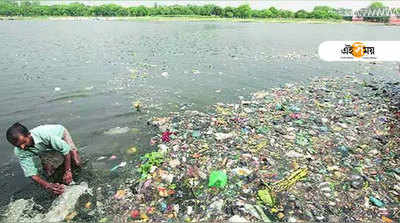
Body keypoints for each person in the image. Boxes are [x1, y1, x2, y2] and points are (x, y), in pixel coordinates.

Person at [6, 123, 81, 195]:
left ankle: (74, 152)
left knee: (75, 161)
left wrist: (68, 171)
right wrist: (48, 185)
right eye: (18, 146)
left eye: (24, 142)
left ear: (29, 135)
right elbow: (31, 173)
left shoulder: (45, 135)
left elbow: (65, 151)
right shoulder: (20, 151)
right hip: (42, 148)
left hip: (59, 134)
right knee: (49, 172)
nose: (23, 147)